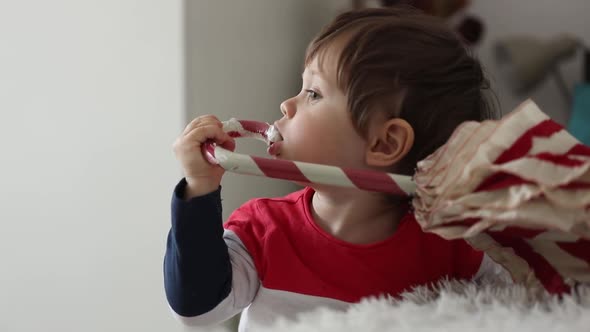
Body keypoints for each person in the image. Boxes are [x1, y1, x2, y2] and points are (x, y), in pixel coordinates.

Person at [164, 6, 507, 332]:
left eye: (313, 93)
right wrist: (199, 188)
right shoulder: (263, 230)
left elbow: (524, 302)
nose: (287, 104)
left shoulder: (454, 245)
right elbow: (197, 308)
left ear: (384, 144)